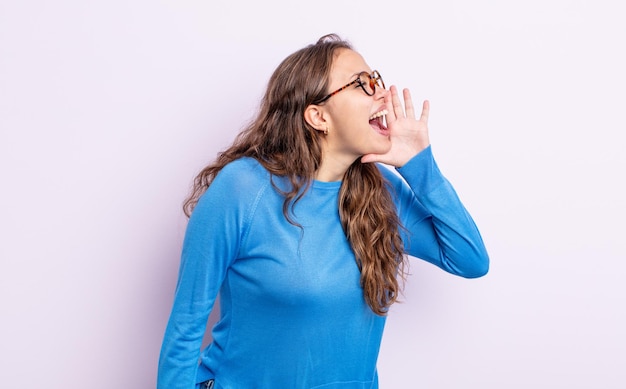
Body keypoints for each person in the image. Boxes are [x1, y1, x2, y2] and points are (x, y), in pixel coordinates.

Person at [157, 33, 489, 389]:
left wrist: (419, 166)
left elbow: (470, 259)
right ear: (318, 116)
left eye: (374, 78)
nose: (381, 91)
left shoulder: (380, 190)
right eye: (362, 84)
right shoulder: (242, 189)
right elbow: (185, 330)